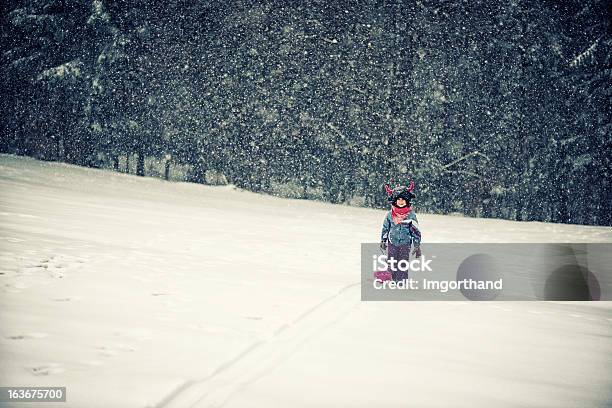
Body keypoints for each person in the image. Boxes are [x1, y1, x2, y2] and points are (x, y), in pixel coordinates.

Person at [380, 182, 422, 281]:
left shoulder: (411, 215)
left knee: (402, 263)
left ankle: (401, 281)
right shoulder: (390, 214)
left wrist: (417, 244)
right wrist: (383, 240)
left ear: (407, 200)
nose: (401, 201)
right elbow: (385, 228)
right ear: (394, 200)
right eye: (398, 199)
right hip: (392, 242)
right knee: (392, 262)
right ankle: (391, 279)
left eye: (403, 199)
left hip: (405, 243)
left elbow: (416, 231)